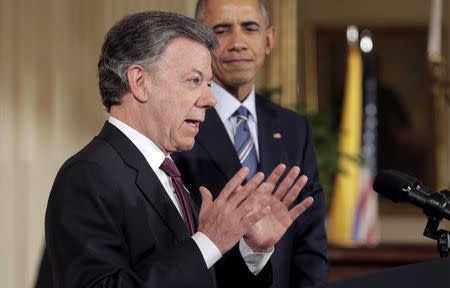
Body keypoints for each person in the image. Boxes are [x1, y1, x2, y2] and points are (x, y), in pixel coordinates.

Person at [45, 11, 315, 288]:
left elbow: (198, 275)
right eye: (194, 81)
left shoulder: (170, 173)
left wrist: (253, 251)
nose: (210, 99)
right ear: (139, 82)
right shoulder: (88, 175)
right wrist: (208, 241)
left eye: (208, 84)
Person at [172, 1, 329, 287]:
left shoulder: (294, 128)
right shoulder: (181, 124)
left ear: (269, 39)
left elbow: (311, 242)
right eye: (221, 29)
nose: (237, 43)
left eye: (250, 28)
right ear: (199, 43)